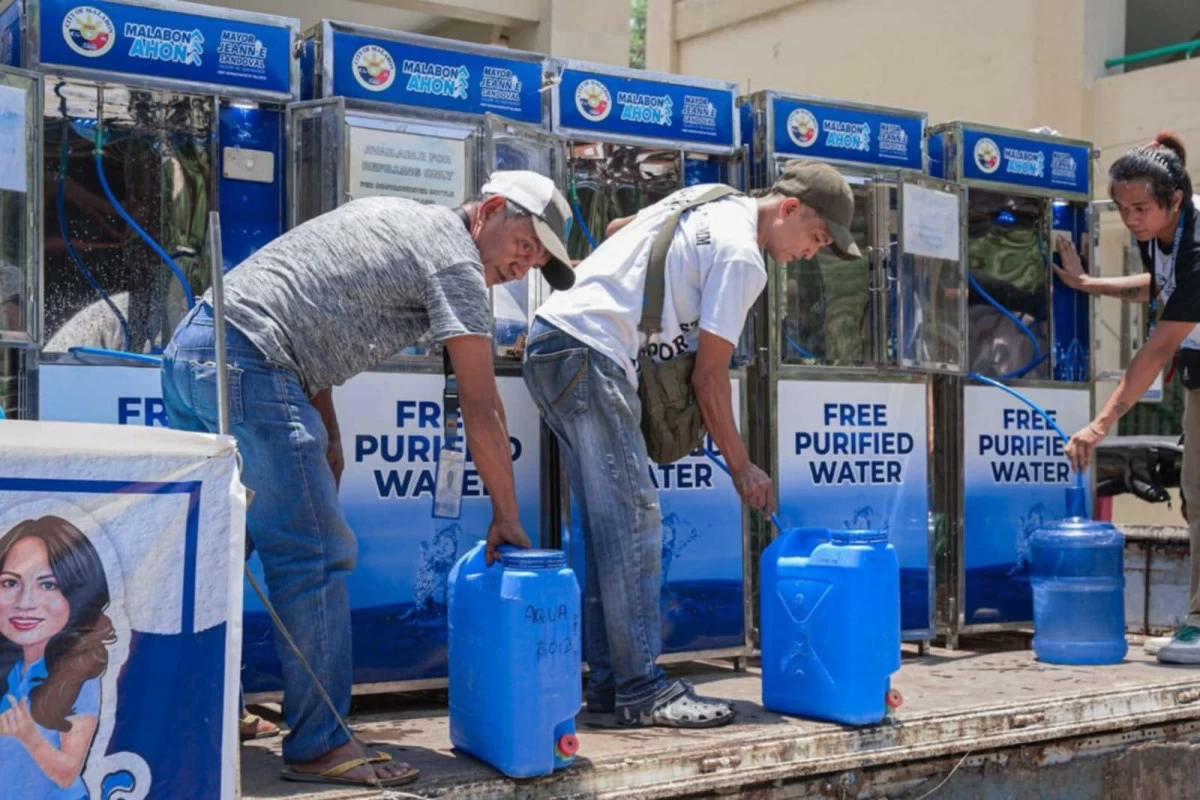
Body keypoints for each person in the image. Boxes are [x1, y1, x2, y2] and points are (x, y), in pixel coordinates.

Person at [160, 171, 575, 788]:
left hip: (197, 350)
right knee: (315, 555)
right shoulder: (456, 261)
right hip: (251, 361)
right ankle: (321, 742)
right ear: (489, 210)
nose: (523, 266)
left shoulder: (407, 219)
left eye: (536, 261)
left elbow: (308, 315)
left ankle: (194, 705)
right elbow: (482, 402)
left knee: (219, 547)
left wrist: (327, 430)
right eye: (524, 245)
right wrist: (507, 516)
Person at [523, 159, 860, 727]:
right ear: (789, 208)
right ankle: (641, 689)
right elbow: (709, 379)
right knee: (636, 521)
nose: (811, 253)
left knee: (611, 530)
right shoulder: (742, 257)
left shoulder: (712, 197)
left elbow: (619, 230)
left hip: (553, 342)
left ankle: (611, 687)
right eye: (817, 238)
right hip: (590, 353)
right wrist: (743, 467)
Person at [1058, 132, 1200, 666]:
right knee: (1195, 496)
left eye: (1140, 208)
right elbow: (1162, 288)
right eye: (1122, 209)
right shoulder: (1161, 233)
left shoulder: (1198, 244)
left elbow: (1158, 346)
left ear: (1175, 199)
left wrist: (1099, 425)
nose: (1131, 219)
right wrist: (1089, 284)